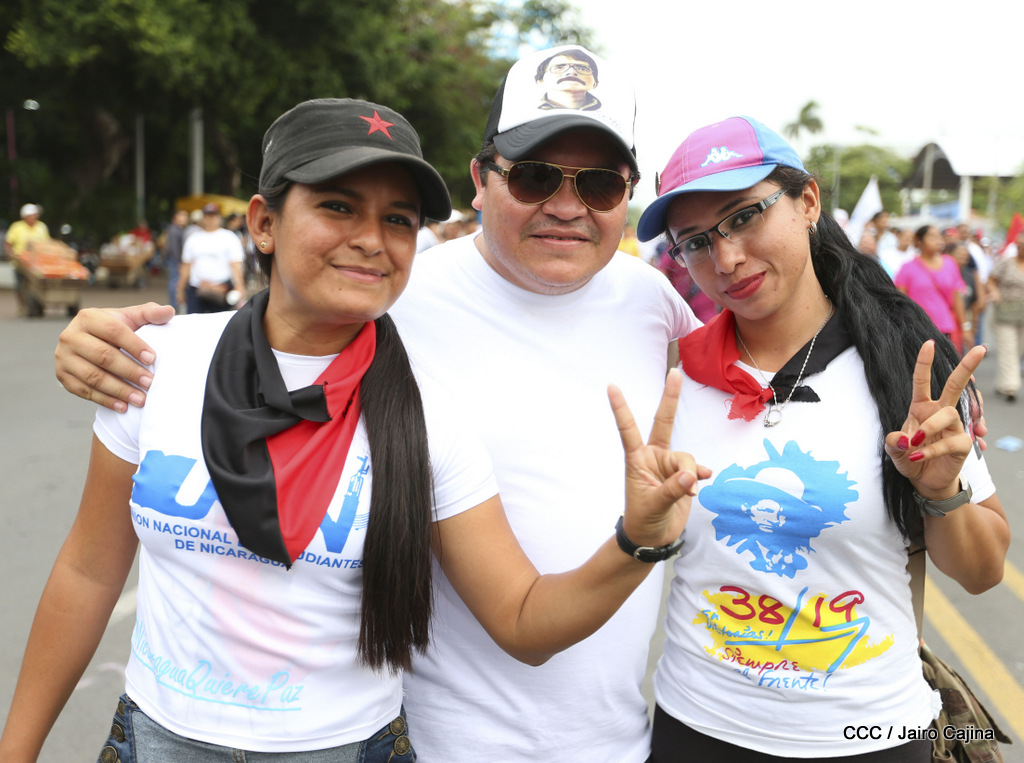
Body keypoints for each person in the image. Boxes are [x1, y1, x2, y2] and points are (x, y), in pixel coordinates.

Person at [1, 97, 702, 762]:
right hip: (158, 739)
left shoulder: (426, 416)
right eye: (337, 206)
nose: (370, 240)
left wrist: (637, 539)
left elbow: (522, 620)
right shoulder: (158, 364)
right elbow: (88, 571)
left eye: (398, 220)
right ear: (264, 222)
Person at [636, 115, 1008, 761]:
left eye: (743, 216)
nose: (725, 259)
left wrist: (941, 492)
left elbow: (982, 572)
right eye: (694, 242)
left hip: (873, 736)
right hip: (696, 728)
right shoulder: (674, 377)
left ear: (808, 201)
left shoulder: (904, 366)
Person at [894, 225, 971, 350]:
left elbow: (957, 298)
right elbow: (901, 301)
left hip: (945, 328)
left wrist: (965, 327)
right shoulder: (907, 268)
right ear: (919, 241)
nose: (938, 240)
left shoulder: (950, 263)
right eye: (932, 236)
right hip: (918, 328)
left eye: (939, 236)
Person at [178, 202, 246, 313]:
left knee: (221, 321)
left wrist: (239, 286)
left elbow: (235, 264)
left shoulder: (229, 237)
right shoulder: (193, 239)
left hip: (222, 288)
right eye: (208, 216)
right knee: (195, 320)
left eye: (213, 216)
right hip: (197, 288)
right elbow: (186, 265)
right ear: (203, 218)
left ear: (219, 217)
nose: (211, 219)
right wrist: (180, 289)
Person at [985, 231, 1024, 401]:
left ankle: (1002, 383)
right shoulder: (1006, 263)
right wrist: (995, 292)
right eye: (1019, 246)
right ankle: (1010, 386)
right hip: (1004, 312)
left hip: (1022, 315)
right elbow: (991, 280)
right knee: (1008, 348)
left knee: (1017, 350)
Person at [5, 203, 52, 315]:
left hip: (38, 262)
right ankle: (22, 306)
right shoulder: (16, 227)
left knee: (38, 284)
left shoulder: (41, 227)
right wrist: (11, 254)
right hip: (20, 262)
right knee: (20, 285)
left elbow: (47, 243)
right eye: (30, 215)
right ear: (24, 217)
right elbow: (8, 243)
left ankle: (38, 304)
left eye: (34, 215)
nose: (33, 217)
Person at [533, 47, 601, 110]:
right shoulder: (529, 115)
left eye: (582, 69)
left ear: (595, 83)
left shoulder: (606, 116)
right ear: (540, 80)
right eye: (559, 68)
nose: (571, 72)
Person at [161, 209, 189, 312]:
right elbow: (174, 248)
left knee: (175, 281)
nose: (184, 218)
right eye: (182, 215)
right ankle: (173, 305)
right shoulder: (174, 230)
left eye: (185, 216)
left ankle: (174, 304)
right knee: (175, 282)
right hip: (175, 260)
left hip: (175, 259)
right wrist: (179, 261)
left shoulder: (177, 229)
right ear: (175, 217)